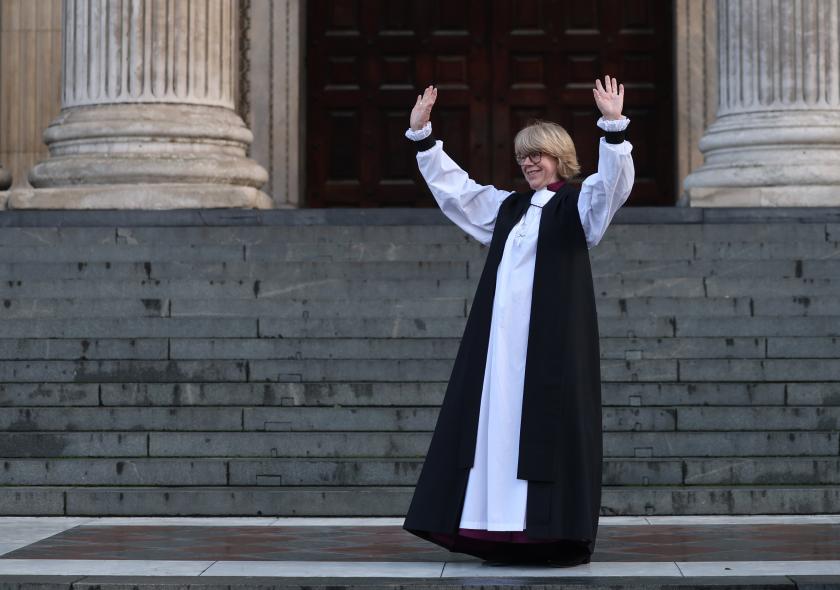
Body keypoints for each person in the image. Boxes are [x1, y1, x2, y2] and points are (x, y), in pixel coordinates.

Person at [401, 76, 635, 567]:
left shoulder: (579, 206)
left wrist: (613, 129)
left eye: (538, 155)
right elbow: (457, 193)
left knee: (541, 435)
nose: (529, 162)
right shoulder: (508, 208)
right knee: (496, 432)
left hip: (550, 350)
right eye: (523, 156)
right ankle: (494, 532)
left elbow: (613, 187)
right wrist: (423, 139)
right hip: (500, 353)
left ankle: (545, 534)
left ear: (560, 158)